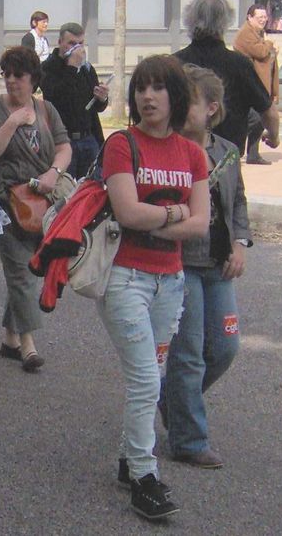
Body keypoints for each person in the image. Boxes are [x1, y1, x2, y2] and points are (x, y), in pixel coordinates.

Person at [99, 55, 210, 521]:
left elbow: (202, 224)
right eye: (141, 88)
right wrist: (173, 215)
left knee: (152, 376)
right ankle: (145, 477)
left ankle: (130, 457)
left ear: (175, 96)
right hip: (125, 277)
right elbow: (127, 213)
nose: (147, 96)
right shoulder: (122, 144)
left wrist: (157, 221)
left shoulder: (192, 154)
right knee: (146, 379)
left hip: (172, 281)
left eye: (158, 88)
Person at [161, 64, 247, 471]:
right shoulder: (169, 148)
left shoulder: (227, 152)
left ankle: (173, 399)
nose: (179, 107)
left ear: (211, 108)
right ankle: (190, 440)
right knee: (189, 354)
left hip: (218, 264)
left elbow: (239, 203)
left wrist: (240, 243)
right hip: (182, 262)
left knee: (225, 348)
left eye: (188, 101)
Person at [0, 46, 71, 373]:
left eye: (19, 75)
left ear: (33, 80)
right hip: (6, 205)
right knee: (22, 272)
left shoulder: (46, 110)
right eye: (7, 74)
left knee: (32, 269)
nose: (11, 81)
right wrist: (13, 122)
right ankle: (28, 346)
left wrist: (53, 173)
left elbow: (64, 147)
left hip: (43, 204)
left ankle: (10, 338)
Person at [174, 0, 280, 157]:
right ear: (225, 23)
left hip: (181, 159)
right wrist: (273, 137)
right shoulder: (239, 64)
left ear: (189, 21)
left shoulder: (174, 63)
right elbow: (268, 111)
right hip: (225, 162)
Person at [40, 22, 108, 178]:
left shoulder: (86, 68)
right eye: (71, 43)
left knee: (91, 188)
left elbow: (95, 107)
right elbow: (56, 98)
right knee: (66, 189)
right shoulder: (48, 68)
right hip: (64, 141)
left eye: (80, 44)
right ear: (60, 42)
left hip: (88, 138)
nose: (76, 48)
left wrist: (102, 98)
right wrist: (71, 68)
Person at [232, 4, 278, 165]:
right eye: (259, 17)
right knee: (253, 119)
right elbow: (261, 52)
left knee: (259, 121)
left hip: (258, 86)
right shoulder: (245, 34)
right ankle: (236, 150)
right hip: (246, 87)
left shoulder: (258, 34)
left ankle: (253, 154)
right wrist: (270, 45)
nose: (263, 20)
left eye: (265, 17)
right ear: (249, 17)